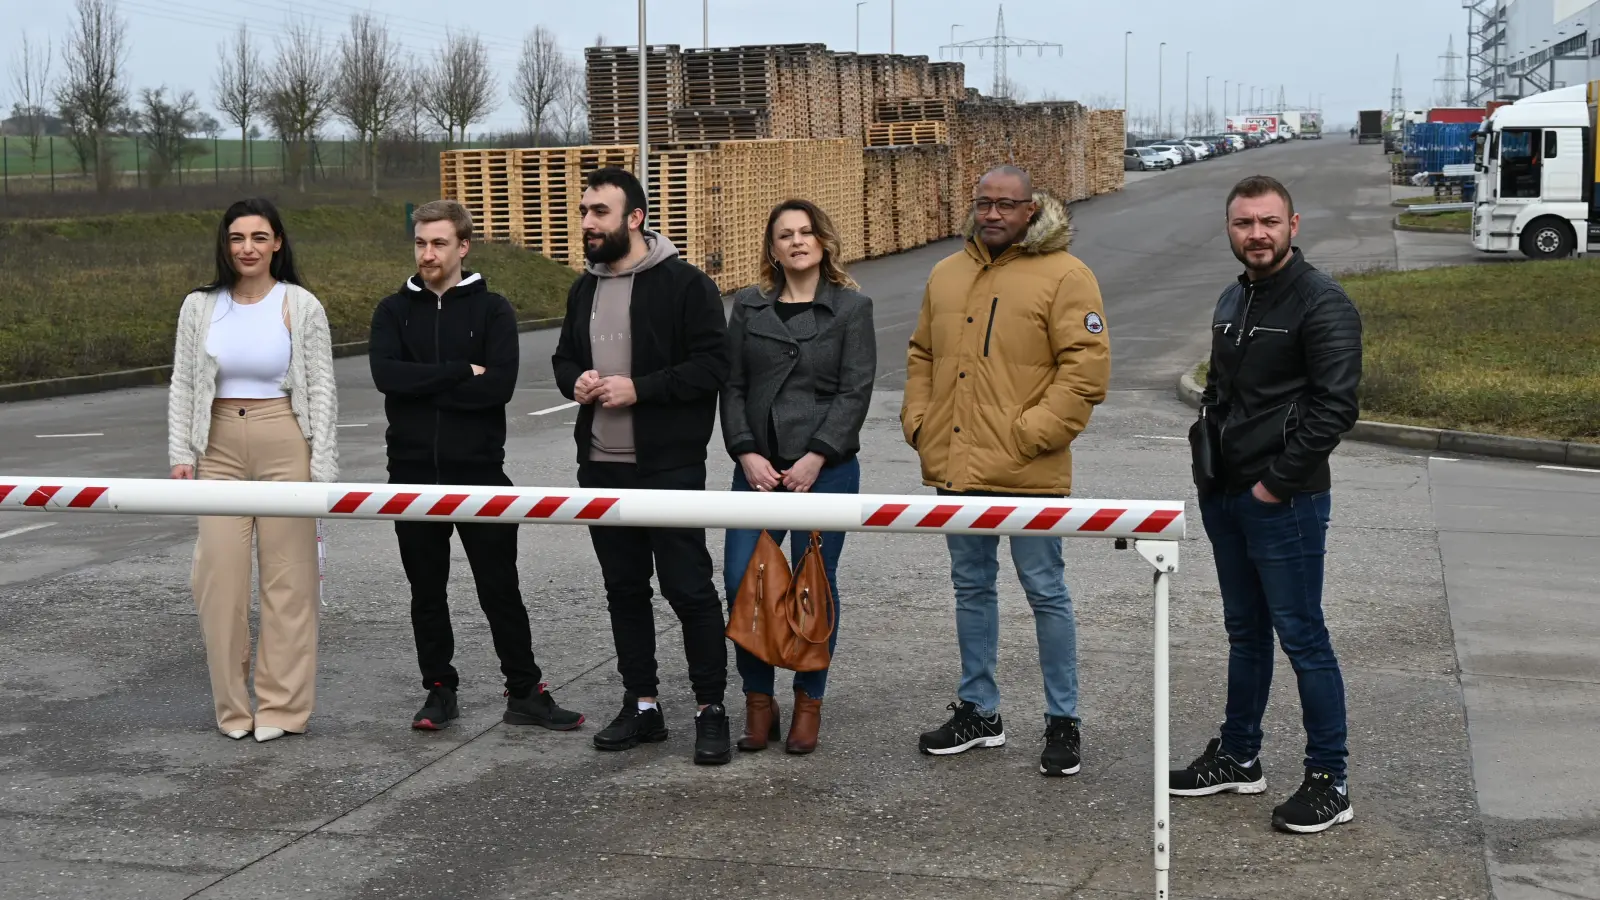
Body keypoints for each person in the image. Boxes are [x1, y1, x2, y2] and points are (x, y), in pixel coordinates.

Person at [901, 166, 1111, 777]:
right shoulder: (947, 273)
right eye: (983, 203)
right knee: (971, 588)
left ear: (1031, 210)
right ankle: (979, 711)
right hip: (956, 465)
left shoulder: (1066, 276)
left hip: (1028, 468)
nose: (992, 214)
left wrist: (1031, 436)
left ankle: (1063, 720)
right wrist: (921, 422)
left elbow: (1085, 372)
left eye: (1006, 205)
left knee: (1046, 591)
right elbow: (921, 354)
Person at [1169, 175, 1362, 835]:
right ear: (1230, 228)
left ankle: (1329, 780)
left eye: (1268, 223)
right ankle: (1238, 756)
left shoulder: (1322, 302)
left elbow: (1336, 407)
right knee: (1244, 632)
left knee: (1302, 636)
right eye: (1245, 223)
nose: (1257, 234)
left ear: (1293, 225)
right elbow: (1221, 394)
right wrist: (1210, 473)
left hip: (1286, 500)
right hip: (1227, 495)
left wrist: (1273, 485)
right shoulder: (1233, 297)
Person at [369, 199, 583, 734]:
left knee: (500, 587)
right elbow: (387, 377)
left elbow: (498, 389)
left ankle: (525, 691)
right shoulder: (393, 312)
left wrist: (429, 383)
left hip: (481, 473)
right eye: (420, 242)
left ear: (463, 246)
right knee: (427, 591)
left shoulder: (493, 310)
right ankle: (439, 690)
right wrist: (461, 370)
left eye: (439, 243)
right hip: (412, 474)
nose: (428, 253)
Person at [551, 167, 733, 765]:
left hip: (668, 468)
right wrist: (573, 380)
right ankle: (643, 704)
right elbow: (563, 356)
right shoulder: (585, 288)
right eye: (584, 211)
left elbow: (712, 366)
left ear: (635, 218)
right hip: (601, 468)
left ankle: (711, 709)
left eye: (599, 212)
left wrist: (642, 389)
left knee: (688, 589)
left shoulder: (686, 285)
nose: (587, 223)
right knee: (623, 589)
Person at [168, 198, 338, 743]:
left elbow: (322, 389)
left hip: (285, 441)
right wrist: (180, 455)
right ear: (225, 244)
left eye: (259, 237)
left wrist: (322, 472)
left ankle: (283, 708)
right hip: (216, 446)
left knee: (289, 583)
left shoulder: (301, 304)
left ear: (277, 244)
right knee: (218, 582)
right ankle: (232, 707)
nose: (248, 248)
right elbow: (183, 383)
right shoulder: (199, 306)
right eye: (238, 238)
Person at [720, 199, 876, 755]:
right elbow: (733, 385)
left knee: (815, 588)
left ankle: (809, 701)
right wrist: (744, 453)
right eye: (784, 234)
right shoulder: (749, 306)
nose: (796, 241)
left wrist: (816, 455)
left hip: (825, 471)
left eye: (806, 232)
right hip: (758, 471)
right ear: (772, 248)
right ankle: (758, 700)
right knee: (743, 582)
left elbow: (855, 391)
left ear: (823, 242)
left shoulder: (852, 310)